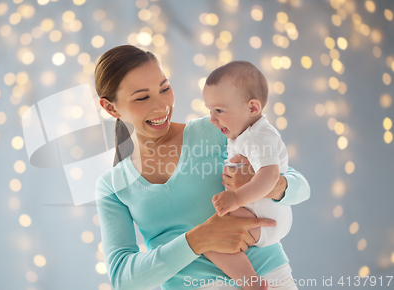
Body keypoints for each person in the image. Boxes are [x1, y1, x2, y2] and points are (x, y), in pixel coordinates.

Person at [95, 45, 310, 290]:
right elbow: (123, 279)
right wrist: (198, 239)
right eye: (142, 97)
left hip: (269, 278)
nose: (161, 106)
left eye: (165, 88)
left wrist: (263, 184)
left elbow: (301, 188)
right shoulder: (112, 186)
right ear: (111, 108)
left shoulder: (216, 130)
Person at [202, 61, 293, 290]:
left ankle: (252, 284)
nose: (212, 119)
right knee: (209, 235)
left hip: (265, 216)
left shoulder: (258, 137)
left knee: (210, 239)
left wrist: (236, 198)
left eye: (219, 111)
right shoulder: (244, 133)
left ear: (252, 108)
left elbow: (270, 176)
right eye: (210, 111)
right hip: (263, 212)